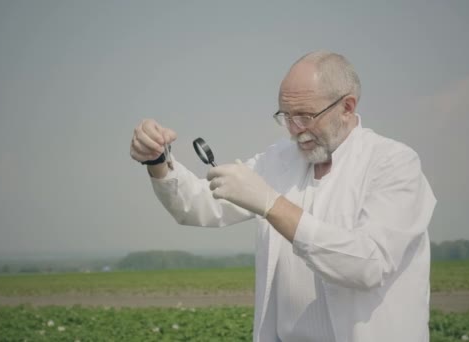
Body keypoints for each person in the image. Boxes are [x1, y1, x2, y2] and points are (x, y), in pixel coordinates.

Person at [130, 50, 436, 342]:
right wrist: (157, 160)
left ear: (347, 107)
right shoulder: (279, 160)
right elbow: (198, 205)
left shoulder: (393, 163)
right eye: (285, 116)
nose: (294, 129)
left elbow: (368, 264)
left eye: (305, 116)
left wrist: (272, 204)